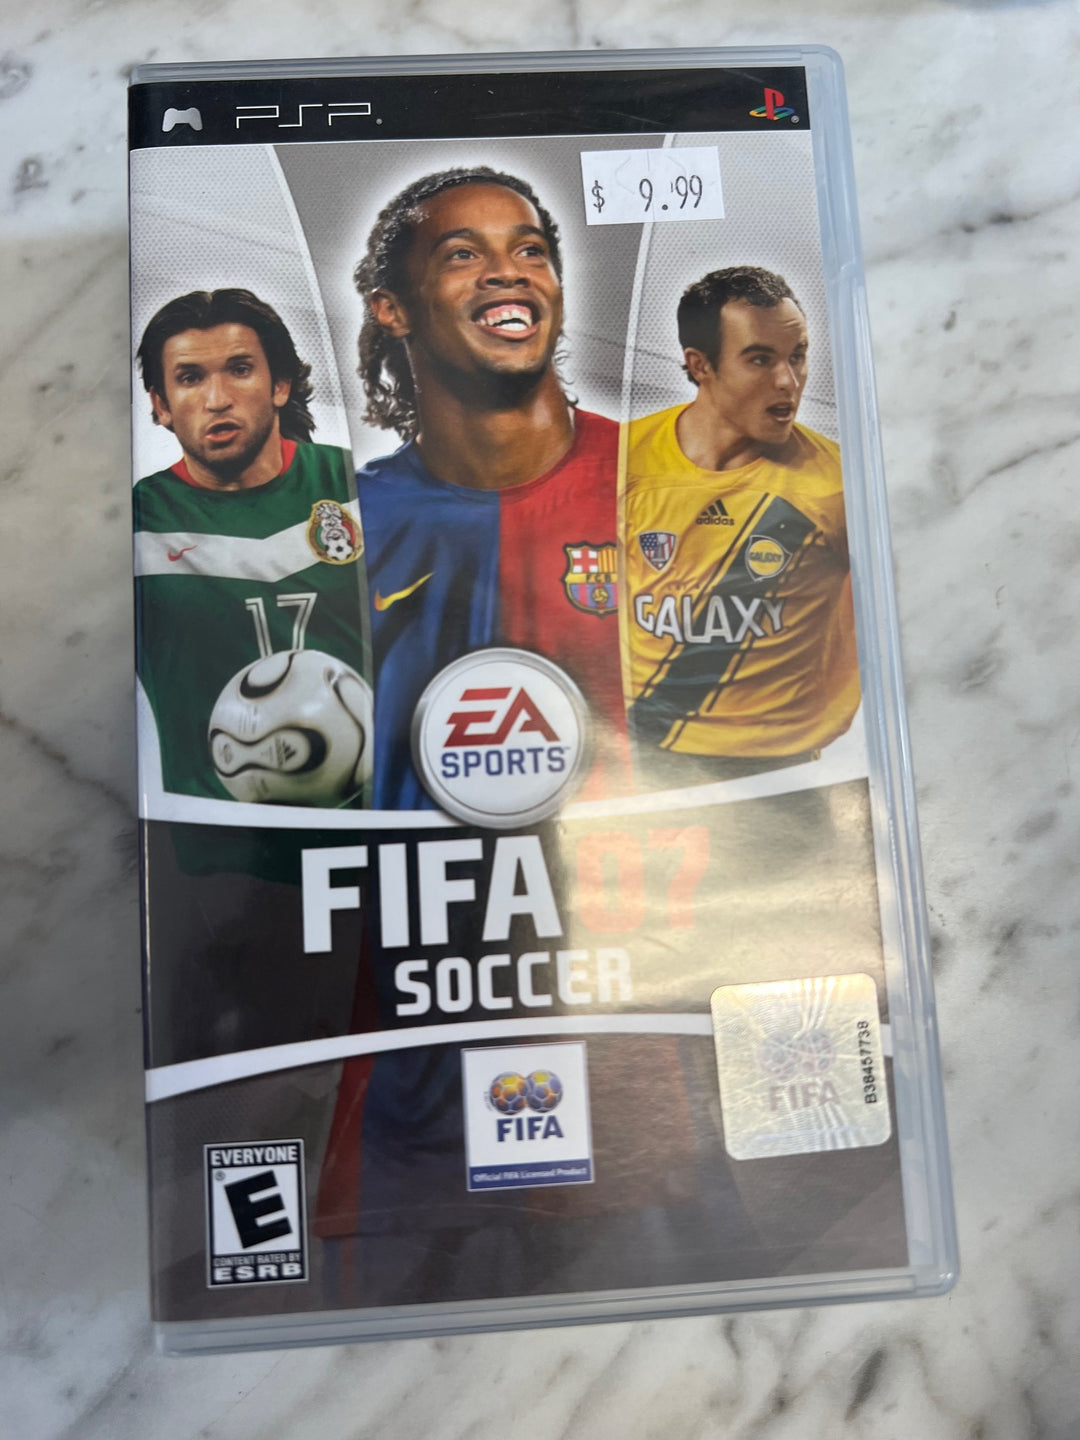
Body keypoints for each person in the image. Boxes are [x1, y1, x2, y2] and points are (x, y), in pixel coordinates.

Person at [350, 166, 629, 810]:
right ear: (392, 309)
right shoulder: (354, 523)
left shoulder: (655, 480)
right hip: (419, 868)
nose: (508, 271)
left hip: (629, 863)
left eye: (530, 251)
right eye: (463, 254)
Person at [623, 266, 860, 786]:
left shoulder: (841, 485)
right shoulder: (621, 461)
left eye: (797, 355)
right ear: (700, 365)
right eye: (760, 359)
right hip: (642, 756)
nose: (788, 381)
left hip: (776, 773)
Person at [133, 288, 369, 802]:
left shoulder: (362, 490)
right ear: (161, 406)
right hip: (218, 837)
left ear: (280, 384)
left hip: (371, 824)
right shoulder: (134, 524)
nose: (217, 399)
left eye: (239, 369)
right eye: (190, 378)